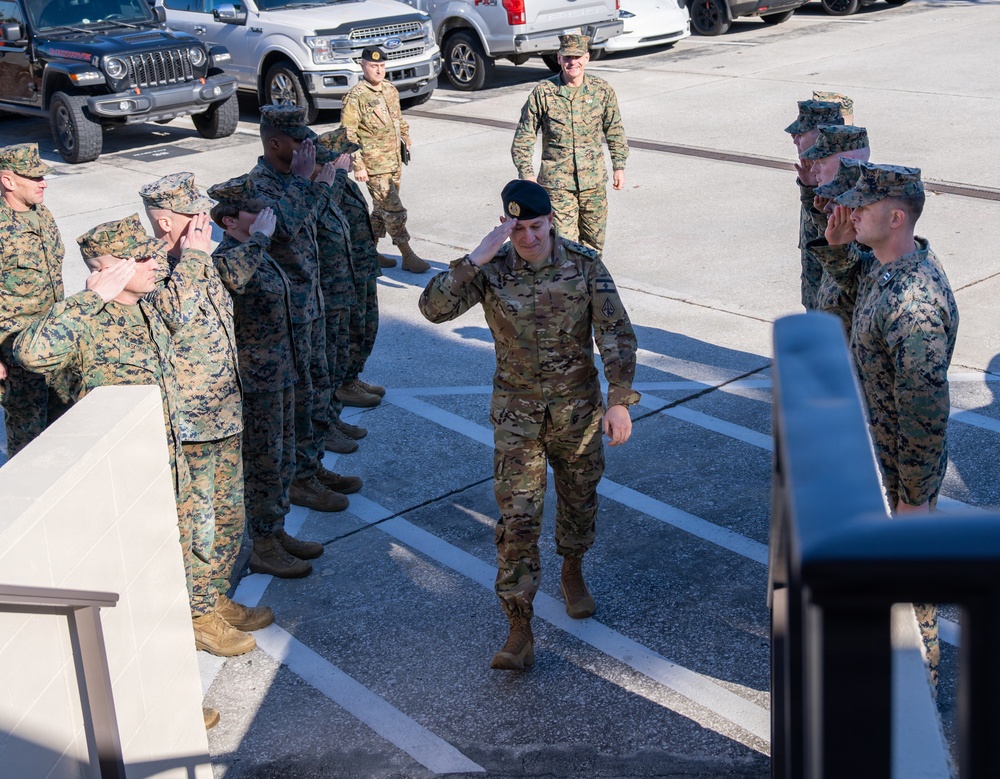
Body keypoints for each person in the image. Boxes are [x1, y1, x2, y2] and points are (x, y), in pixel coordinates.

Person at [12, 214, 257, 728]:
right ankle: (162, 701)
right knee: (139, 602)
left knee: (170, 586)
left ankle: (172, 683)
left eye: (152, 254)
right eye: (141, 259)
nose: (154, 264)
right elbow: (30, 353)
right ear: (108, 270)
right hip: (124, 487)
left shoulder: (145, 308)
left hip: (168, 470)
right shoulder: (88, 320)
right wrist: (86, 299)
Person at [419, 180, 639, 671]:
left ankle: (572, 568)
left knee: (579, 501)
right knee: (517, 521)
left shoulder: (583, 264)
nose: (528, 237)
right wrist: (475, 257)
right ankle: (519, 628)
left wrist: (620, 401)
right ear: (505, 223)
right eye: (517, 228)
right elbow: (432, 310)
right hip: (517, 419)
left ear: (550, 221)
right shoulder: (490, 268)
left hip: (578, 413)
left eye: (535, 226)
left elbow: (616, 334)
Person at [813, 162, 959, 691]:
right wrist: (836, 247)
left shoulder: (912, 305)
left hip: (902, 468)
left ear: (896, 217)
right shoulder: (887, 262)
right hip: (880, 450)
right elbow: (853, 292)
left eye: (861, 208)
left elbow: (925, 412)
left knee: (910, 579)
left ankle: (922, 685)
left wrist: (915, 499)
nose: (849, 215)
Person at [140, 173, 275, 643]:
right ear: (163, 221)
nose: (203, 221)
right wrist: (194, 257)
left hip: (223, 412)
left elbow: (234, 279)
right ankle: (197, 616)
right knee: (196, 527)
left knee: (227, 517)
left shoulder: (199, 260)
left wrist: (255, 241)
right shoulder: (152, 269)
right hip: (191, 424)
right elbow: (173, 315)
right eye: (191, 214)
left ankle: (214, 597)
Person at [247, 105, 362, 512]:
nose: (309, 148)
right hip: (284, 320)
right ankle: (299, 480)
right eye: (300, 141)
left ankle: (309, 471)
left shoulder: (296, 181)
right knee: (297, 406)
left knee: (315, 393)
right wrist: (303, 182)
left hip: (311, 306)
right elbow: (285, 227)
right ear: (275, 142)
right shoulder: (258, 187)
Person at [208, 175, 324, 578]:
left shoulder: (258, 252)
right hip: (257, 383)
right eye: (254, 211)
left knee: (281, 459)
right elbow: (234, 281)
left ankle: (275, 532)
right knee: (263, 464)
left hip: (282, 373)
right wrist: (257, 240)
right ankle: (262, 545)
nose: (264, 216)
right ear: (229, 222)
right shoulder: (229, 258)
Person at [510, 34, 628, 253]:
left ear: (586, 58)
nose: (572, 62)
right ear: (558, 58)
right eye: (566, 57)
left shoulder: (602, 91)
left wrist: (619, 166)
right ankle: (569, 286)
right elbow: (524, 135)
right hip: (557, 186)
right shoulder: (544, 93)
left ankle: (590, 286)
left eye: (577, 56)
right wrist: (527, 174)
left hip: (593, 183)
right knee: (565, 244)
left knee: (594, 244)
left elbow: (615, 129)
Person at [0, 143, 73, 458]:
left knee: (63, 428)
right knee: (28, 439)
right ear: (8, 181)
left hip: (54, 340)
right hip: (15, 349)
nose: (43, 182)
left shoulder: (42, 213)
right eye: (34, 177)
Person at [340, 46, 429, 273]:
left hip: (394, 160)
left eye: (381, 66)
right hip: (374, 165)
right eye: (373, 66)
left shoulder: (390, 89)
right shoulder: (356, 97)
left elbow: (398, 118)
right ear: (362, 66)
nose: (378, 71)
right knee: (394, 210)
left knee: (381, 210)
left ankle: (369, 252)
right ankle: (407, 254)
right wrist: (358, 165)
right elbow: (348, 134)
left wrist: (406, 137)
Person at [316, 128, 387, 414]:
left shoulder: (341, 181)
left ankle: (353, 377)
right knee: (352, 328)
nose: (351, 157)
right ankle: (344, 383)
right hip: (344, 272)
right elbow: (322, 209)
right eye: (345, 153)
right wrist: (339, 174)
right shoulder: (325, 183)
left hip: (363, 264)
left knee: (368, 324)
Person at [798, 125, 870, 330]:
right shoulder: (839, 208)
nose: (813, 168)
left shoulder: (869, 236)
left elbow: (850, 278)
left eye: (821, 161)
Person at [784, 99, 845, 309]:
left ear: (822, 134)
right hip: (816, 294)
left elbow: (833, 242)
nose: (794, 139)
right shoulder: (813, 174)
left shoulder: (839, 181)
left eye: (801, 133)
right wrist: (808, 189)